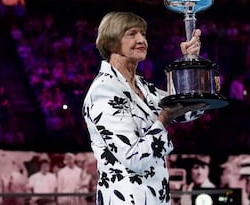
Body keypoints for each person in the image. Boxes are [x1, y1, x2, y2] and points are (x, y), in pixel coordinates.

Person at [82, 11, 206, 204]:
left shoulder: (142, 86)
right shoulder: (104, 91)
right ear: (111, 41)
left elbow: (190, 110)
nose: (142, 39)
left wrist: (191, 60)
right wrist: (164, 118)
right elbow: (136, 159)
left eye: (143, 34)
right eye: (132, 34)